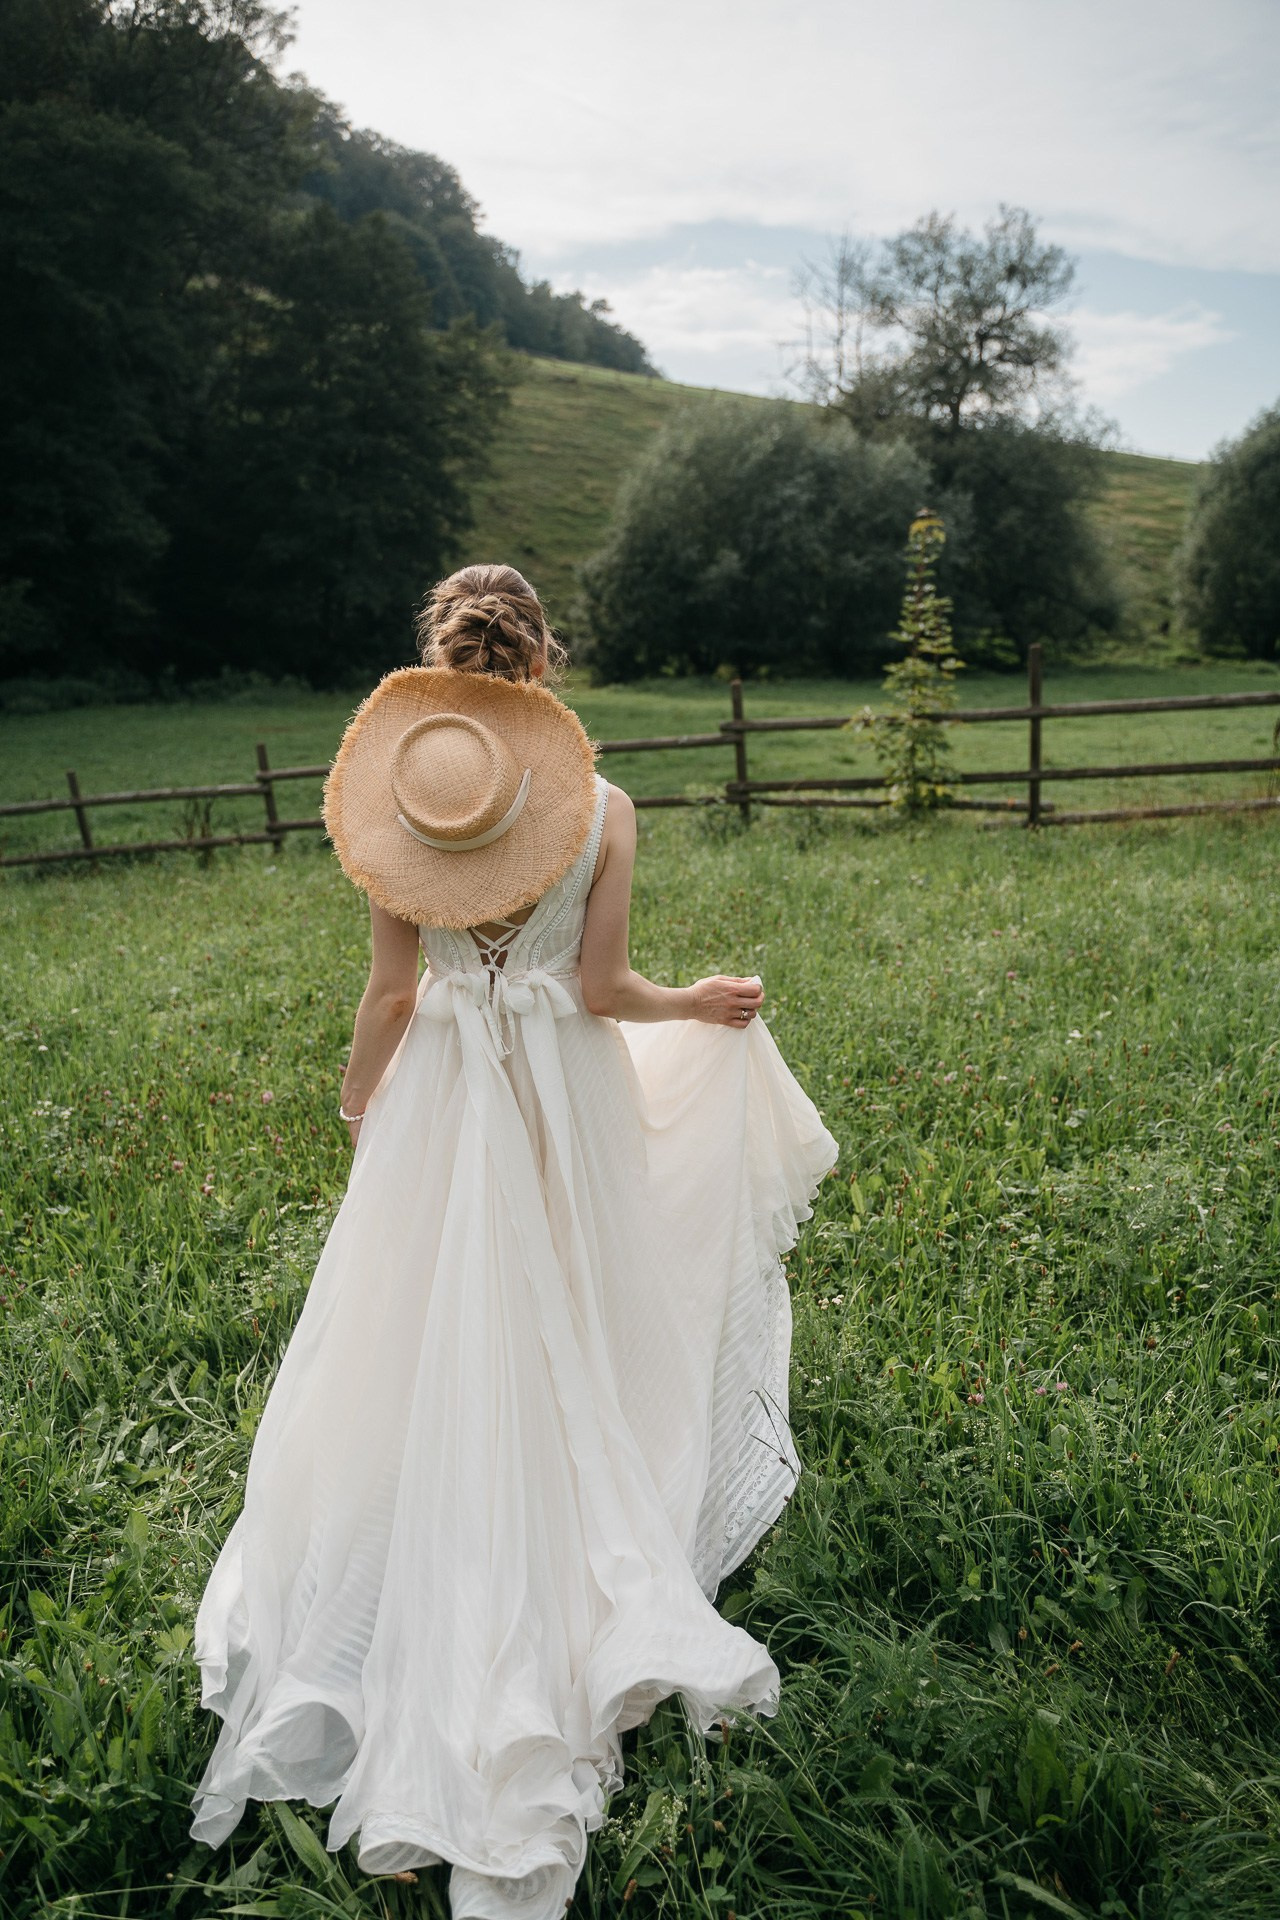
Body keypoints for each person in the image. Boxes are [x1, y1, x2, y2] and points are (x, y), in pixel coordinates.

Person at [188, 564, 838, 1918]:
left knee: (427, 1315)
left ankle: (431, 1512)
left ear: (439, 670)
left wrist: (364, 1102)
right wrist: (697, 1002)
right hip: (564, 1090)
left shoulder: (394, 815)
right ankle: (576, 1501)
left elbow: (388, 989)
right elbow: (599, 988)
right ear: (544, 663)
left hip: (442, 1091)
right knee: (580, 1298)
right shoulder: (600, 808)